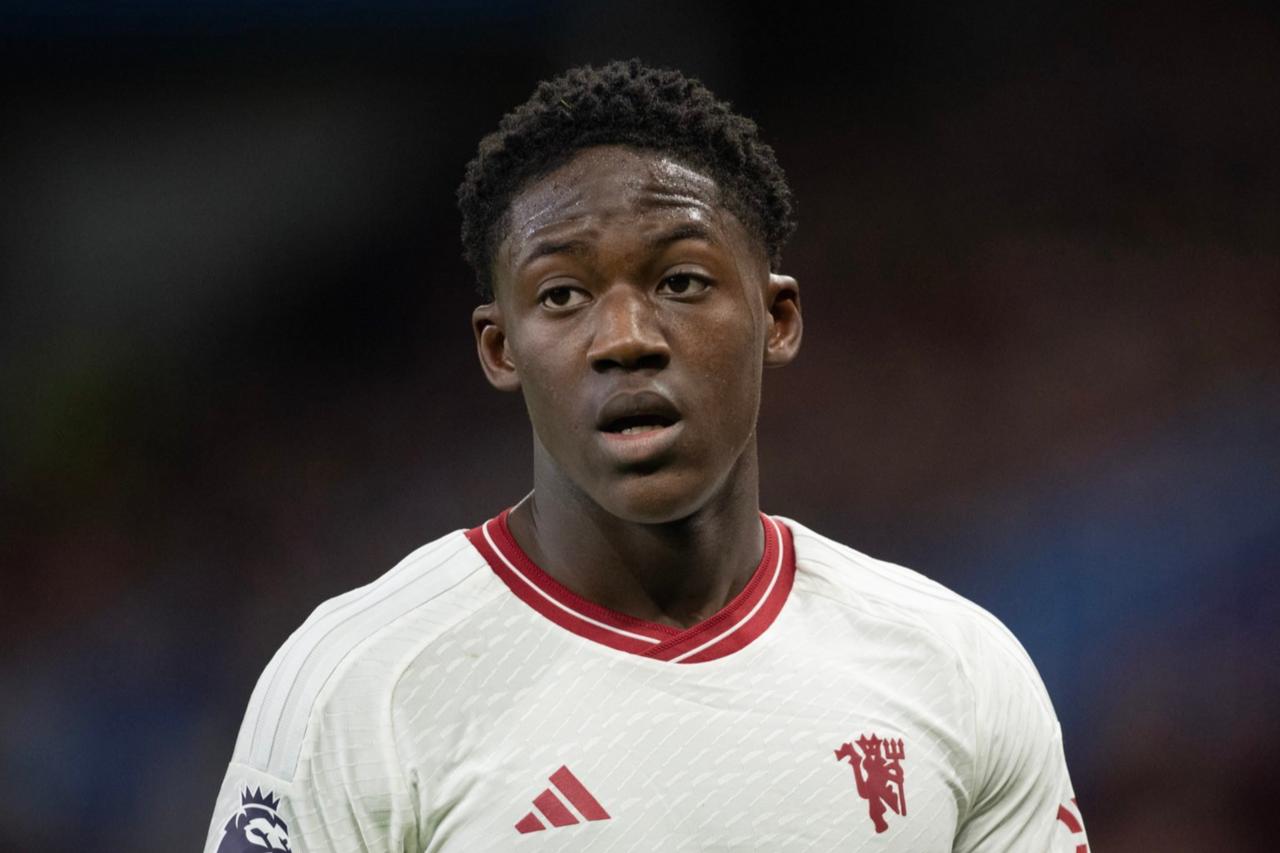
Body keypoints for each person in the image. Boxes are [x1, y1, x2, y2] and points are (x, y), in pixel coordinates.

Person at [204, 59, 1089, 852]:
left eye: (681, 281)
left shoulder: (957, 670)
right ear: (500, 348)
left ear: (776, 318)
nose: (625, 338)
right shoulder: (359, 684)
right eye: (562, 295)